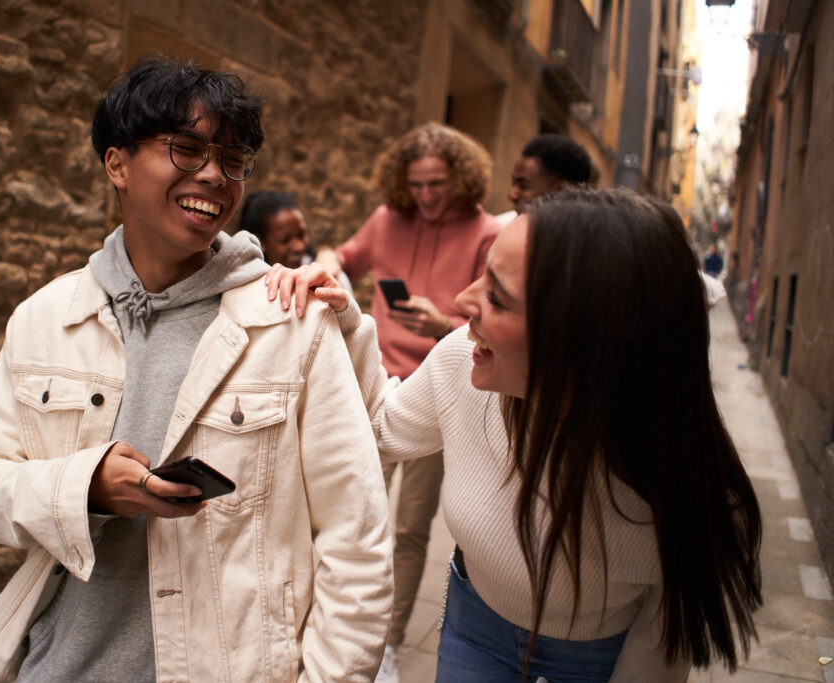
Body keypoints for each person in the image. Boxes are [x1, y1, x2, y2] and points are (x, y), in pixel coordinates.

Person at [0, 56, 392, 682]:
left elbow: (357, 543)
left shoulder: (291, 321)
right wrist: (85, 488)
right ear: (117, 164)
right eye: (186, 148)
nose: (213, 174)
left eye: (232, 159)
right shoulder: (45, 316)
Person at [268, 187, 763, 681]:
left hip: (598, 662)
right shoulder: (461, 360)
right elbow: (379, 428)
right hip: (473, 632)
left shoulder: (693, 492)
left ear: (582, 336)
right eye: (483, 276)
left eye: (497, 297)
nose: (462, 302)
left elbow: (660, 648)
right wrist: (345, 322)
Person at [316, 122, 502, 681]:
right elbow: (341, 254)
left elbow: (494, 320)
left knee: (409, 529)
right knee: (347, 512)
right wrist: (329, 263)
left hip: (437, 392)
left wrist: (442, 323)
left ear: (461, 177)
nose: (424, 195)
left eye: (436, 184)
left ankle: (390, 643)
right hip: (370, 382)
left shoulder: (488, 232)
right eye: (416, 184)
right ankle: (336, 626)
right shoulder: (385, 220)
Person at [497, 133, 594, 223]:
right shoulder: (502, 226)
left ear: (560, 192)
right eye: (514, 183)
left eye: (523, 186)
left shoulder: (587, 235)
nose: (511, 195)